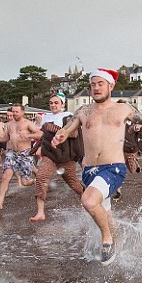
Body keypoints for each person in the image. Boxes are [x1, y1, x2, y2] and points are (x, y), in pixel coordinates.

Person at [52, 68, 142, 265]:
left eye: (100, 84)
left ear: (111, 85)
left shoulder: (122, 109)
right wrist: (61, 135)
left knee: (89, 201)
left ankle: (107, 242)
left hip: (113, 168)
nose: (96, 88)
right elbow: (68, 129)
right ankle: (118, 246)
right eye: (93, 84)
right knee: (106, 214)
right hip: (89, 171)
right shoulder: (84, 111)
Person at [30, 93, 84, 222]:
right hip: (50, 155)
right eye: (51, 103)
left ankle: (88, 201)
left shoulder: (68, 116)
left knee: (74, 184)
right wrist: (36, 147)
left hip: (66, 156)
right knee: (41, 178)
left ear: (62, 104)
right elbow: (44, 136)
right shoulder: (45, 117)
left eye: (56, 103)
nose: (53, 105)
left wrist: (53, 128)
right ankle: (40, 212)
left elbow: (74, 134)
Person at [0, 105, 42, 210]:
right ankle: (0, 202)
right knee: (5, 176)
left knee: (25, 182)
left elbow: (40, 134)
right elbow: (8, 136)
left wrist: (29, 136)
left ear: (22, 112)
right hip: (12, 153)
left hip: (25, 153)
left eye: (16, 112)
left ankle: (36, 180)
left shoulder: (27, 123)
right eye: (13, 112)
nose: (14, 113)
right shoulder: (9, 124)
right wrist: (0, 140)